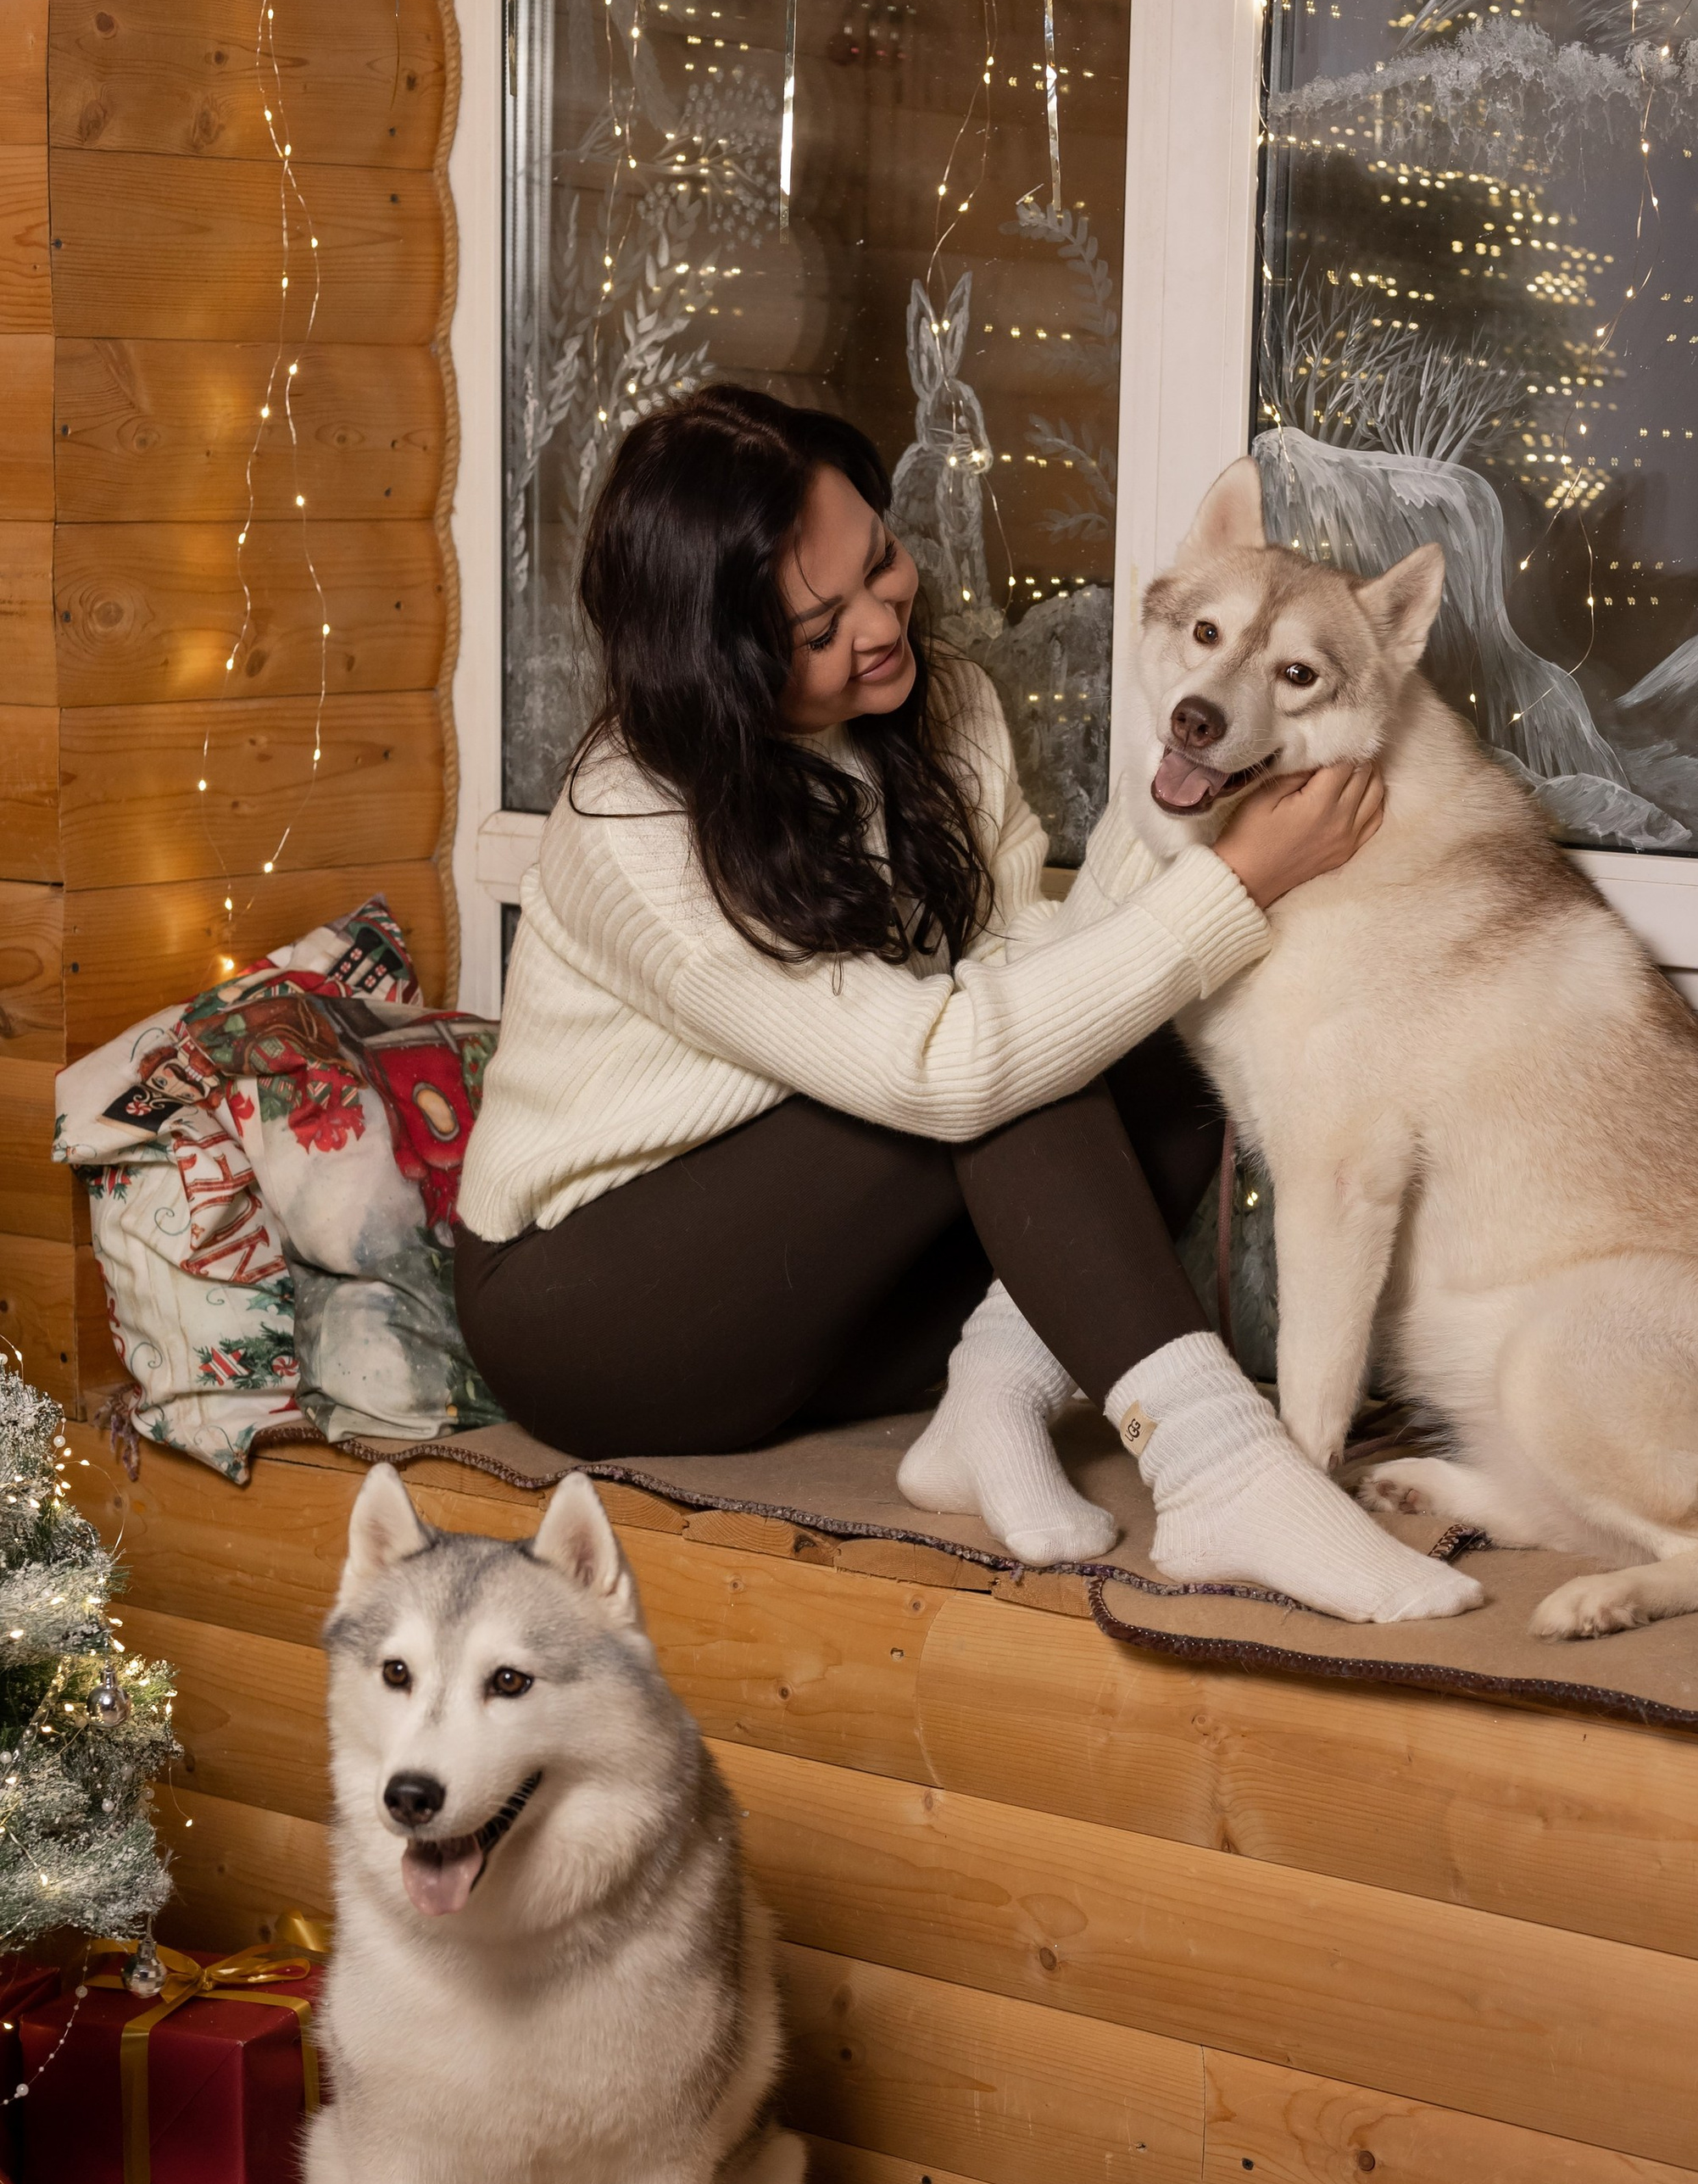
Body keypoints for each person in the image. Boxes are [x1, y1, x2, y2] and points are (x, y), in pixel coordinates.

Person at [455, 384, 1473, 1624]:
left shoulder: (945, 706)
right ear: (718, 664)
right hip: (606, 1310)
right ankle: (1222, 1469)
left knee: (1166, 1073)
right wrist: (1238, 880)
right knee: (992, 1070)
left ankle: (986, 1402)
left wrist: (1188, 799)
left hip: (824, 1296)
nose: (882, 622)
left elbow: (1036, 964)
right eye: (819, 623)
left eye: (882, 562)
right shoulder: (634, 820)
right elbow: (947, 1068)